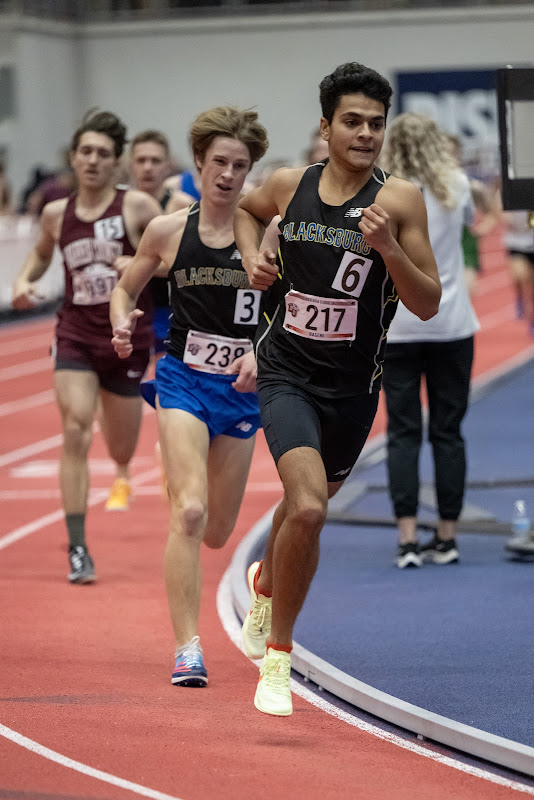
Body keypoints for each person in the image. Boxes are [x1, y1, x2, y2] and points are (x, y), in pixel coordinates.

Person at [233, 62, 441, 717]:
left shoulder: (400, 201)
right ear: (325, 126)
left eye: (376, 123)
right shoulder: (290, 185)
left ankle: (266, 581)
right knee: (311, 507)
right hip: (286, 373)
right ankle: (279, 659)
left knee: (304, 508)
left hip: (353, 390)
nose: (366, 133)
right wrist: (252, 260)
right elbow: (245, 208)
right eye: (352, 121)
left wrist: (389, 250)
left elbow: (428, 303)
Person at [110, 105, 269, 687]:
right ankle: (188, 648)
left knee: (220, 532)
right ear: (198, 163)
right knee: (191, 513)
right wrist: (121, 322)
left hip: (241, 394)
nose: (228, 175)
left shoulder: (268, 235)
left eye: (241, 165)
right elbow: (125, 288)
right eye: (219, 163)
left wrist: (262, 348)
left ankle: (254, 576)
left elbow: (285, 309)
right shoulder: (168, 231)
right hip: (182, 380)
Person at [12, 109, 161, 583]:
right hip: (74, 333)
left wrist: (136, 266)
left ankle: (121, 468)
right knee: (76, 428)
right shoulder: (57, 214)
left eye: (103, 154)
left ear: (116, 162)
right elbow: (37, 258)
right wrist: (22, 282)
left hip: (125, 340)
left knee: (121, 447)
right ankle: (77, 546)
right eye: (85, 152)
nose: (93, 161)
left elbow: (177, 255)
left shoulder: (136, 207)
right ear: (73, 158)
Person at [380, 112, 480, 569]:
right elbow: (473, 227)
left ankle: (405, 538)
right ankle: (447, 535)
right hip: (451, 323)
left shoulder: (384, 189)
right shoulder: (456, 183)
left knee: (402, 432)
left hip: (398, 325)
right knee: (447, 431)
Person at [129, 129, 193, 355]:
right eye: (141, 160)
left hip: (168, 310)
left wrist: (134, 265)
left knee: (162, 381)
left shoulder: (182, 206)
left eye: (155, 161)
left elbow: (192, 265)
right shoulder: (120, 207)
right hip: (131, 307)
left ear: (167, 165)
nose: (148, 167)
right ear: (131, 164)